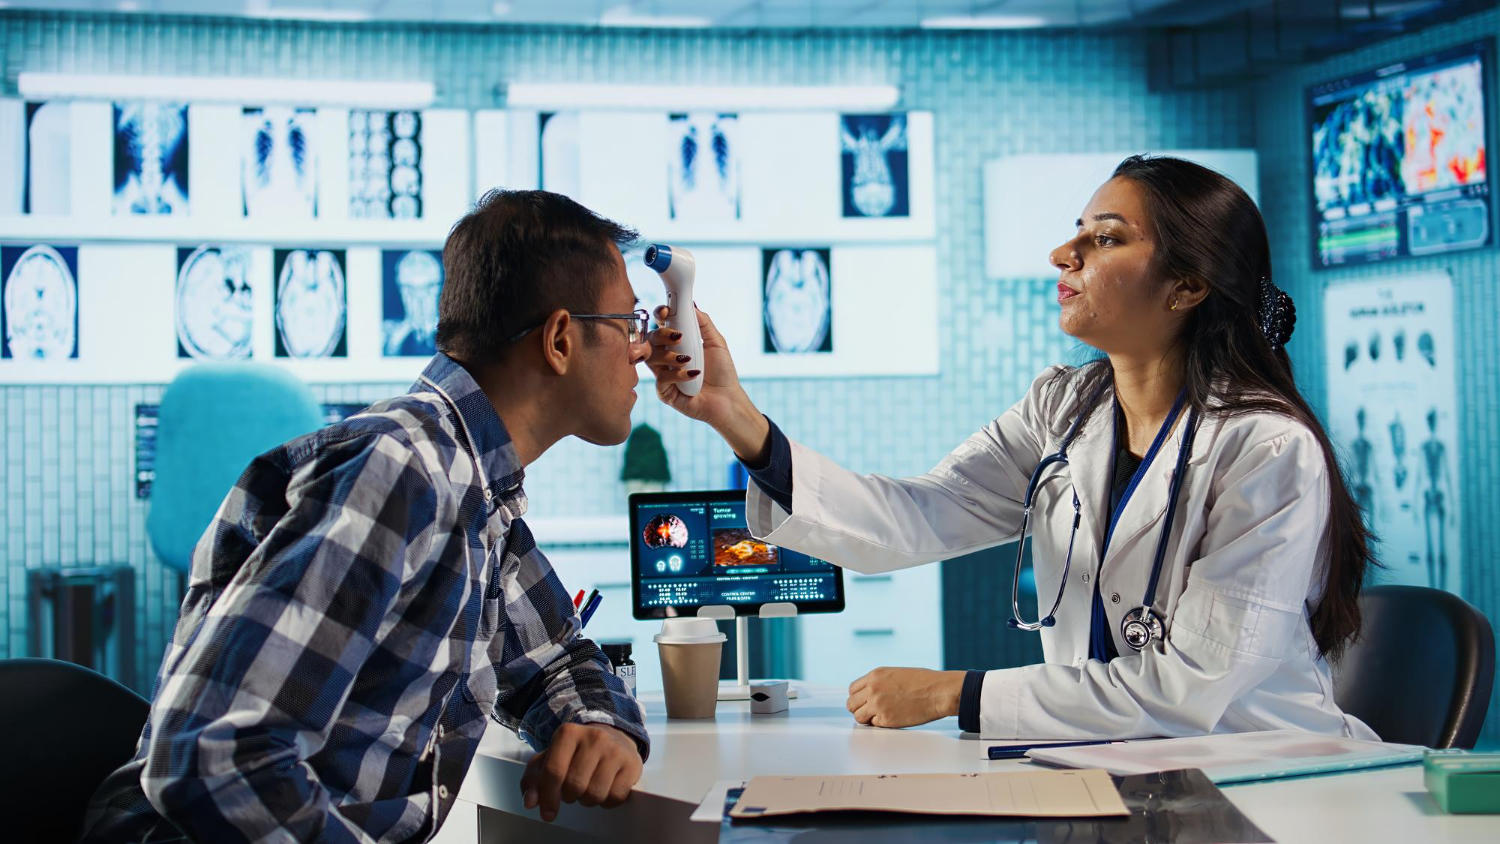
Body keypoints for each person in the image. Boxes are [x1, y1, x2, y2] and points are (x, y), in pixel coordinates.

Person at [648, 155, 1379, 741]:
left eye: (1105, 239)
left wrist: (956, 693)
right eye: (1076, 232)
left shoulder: (1266, 449)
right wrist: (737, 419)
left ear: (1186, 287)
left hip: (1266, 775)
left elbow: (1185, 689)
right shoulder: (1063, 409)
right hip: (1120, 770)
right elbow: (914, 518)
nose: (1063, 254)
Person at [81, 189, 654, 843]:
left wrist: (603, 724)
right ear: (559, 340)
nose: (642, 349)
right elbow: (214, 758)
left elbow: (557, 659)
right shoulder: (402, 471)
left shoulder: (474, 490)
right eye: (629, 322)